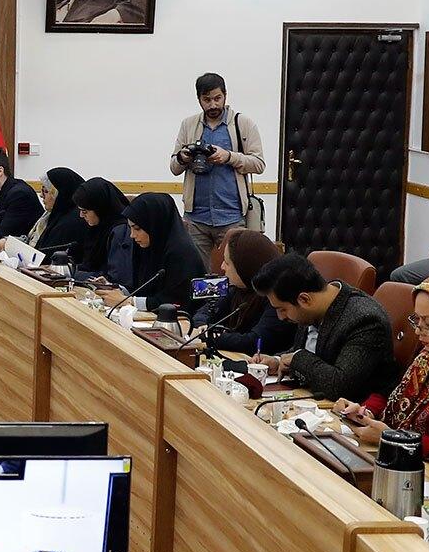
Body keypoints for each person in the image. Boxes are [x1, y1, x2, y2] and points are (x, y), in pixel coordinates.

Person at [336, 266, 429, 455]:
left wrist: (392, 437)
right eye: (416, 319)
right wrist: (364, 412)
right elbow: (390, 391)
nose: (417, 331)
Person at [250, 254, 396, 401]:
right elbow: (307, 351)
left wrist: (297, 359)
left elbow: (339, 386)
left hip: (350, 409)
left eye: (282, 309)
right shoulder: (313, 309)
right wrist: (278, 361)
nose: (281, 317)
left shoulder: (365, 320)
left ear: (304, 299)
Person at [169, 73, 265, 269]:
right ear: (199, 99)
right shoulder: (188, 125)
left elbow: (258, 164)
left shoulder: (243, 124)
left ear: (225, 96)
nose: (213, 105)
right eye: (207, 100)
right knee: (196, 274)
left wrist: (229, 156)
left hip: (232, 215)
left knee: (235, 273)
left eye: (217, 98)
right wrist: (183, 157)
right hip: (196, 217)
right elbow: (174, 167)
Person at [192, 230, 301, 356]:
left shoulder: (276, 297)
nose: (222, 267)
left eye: (227, 263)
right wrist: (203, 327)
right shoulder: (238, 288)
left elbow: (253, 342)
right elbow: (203, 314)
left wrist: (211, 336)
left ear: (244, 267)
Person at [99, 193, 208, 315]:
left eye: (137, 228)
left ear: (155, 224)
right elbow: (143, 289)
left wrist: (128, 301)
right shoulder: (148, 245)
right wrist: (115, 289)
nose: (132, 235)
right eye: (131, 228)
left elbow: (175, 303)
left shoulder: (182, 253)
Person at [6, 166, 89, 265]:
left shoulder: (71, 223)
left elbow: (45, 258)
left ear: (60, 194)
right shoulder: (51, 215)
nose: (41, 195)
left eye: (45, 191)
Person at [71, 179, 135, 287]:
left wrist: (71, 274)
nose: (81, 215)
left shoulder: (121, 231)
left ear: (100, 208)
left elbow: (116, 278)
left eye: (85, 211)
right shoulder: (98, 227)